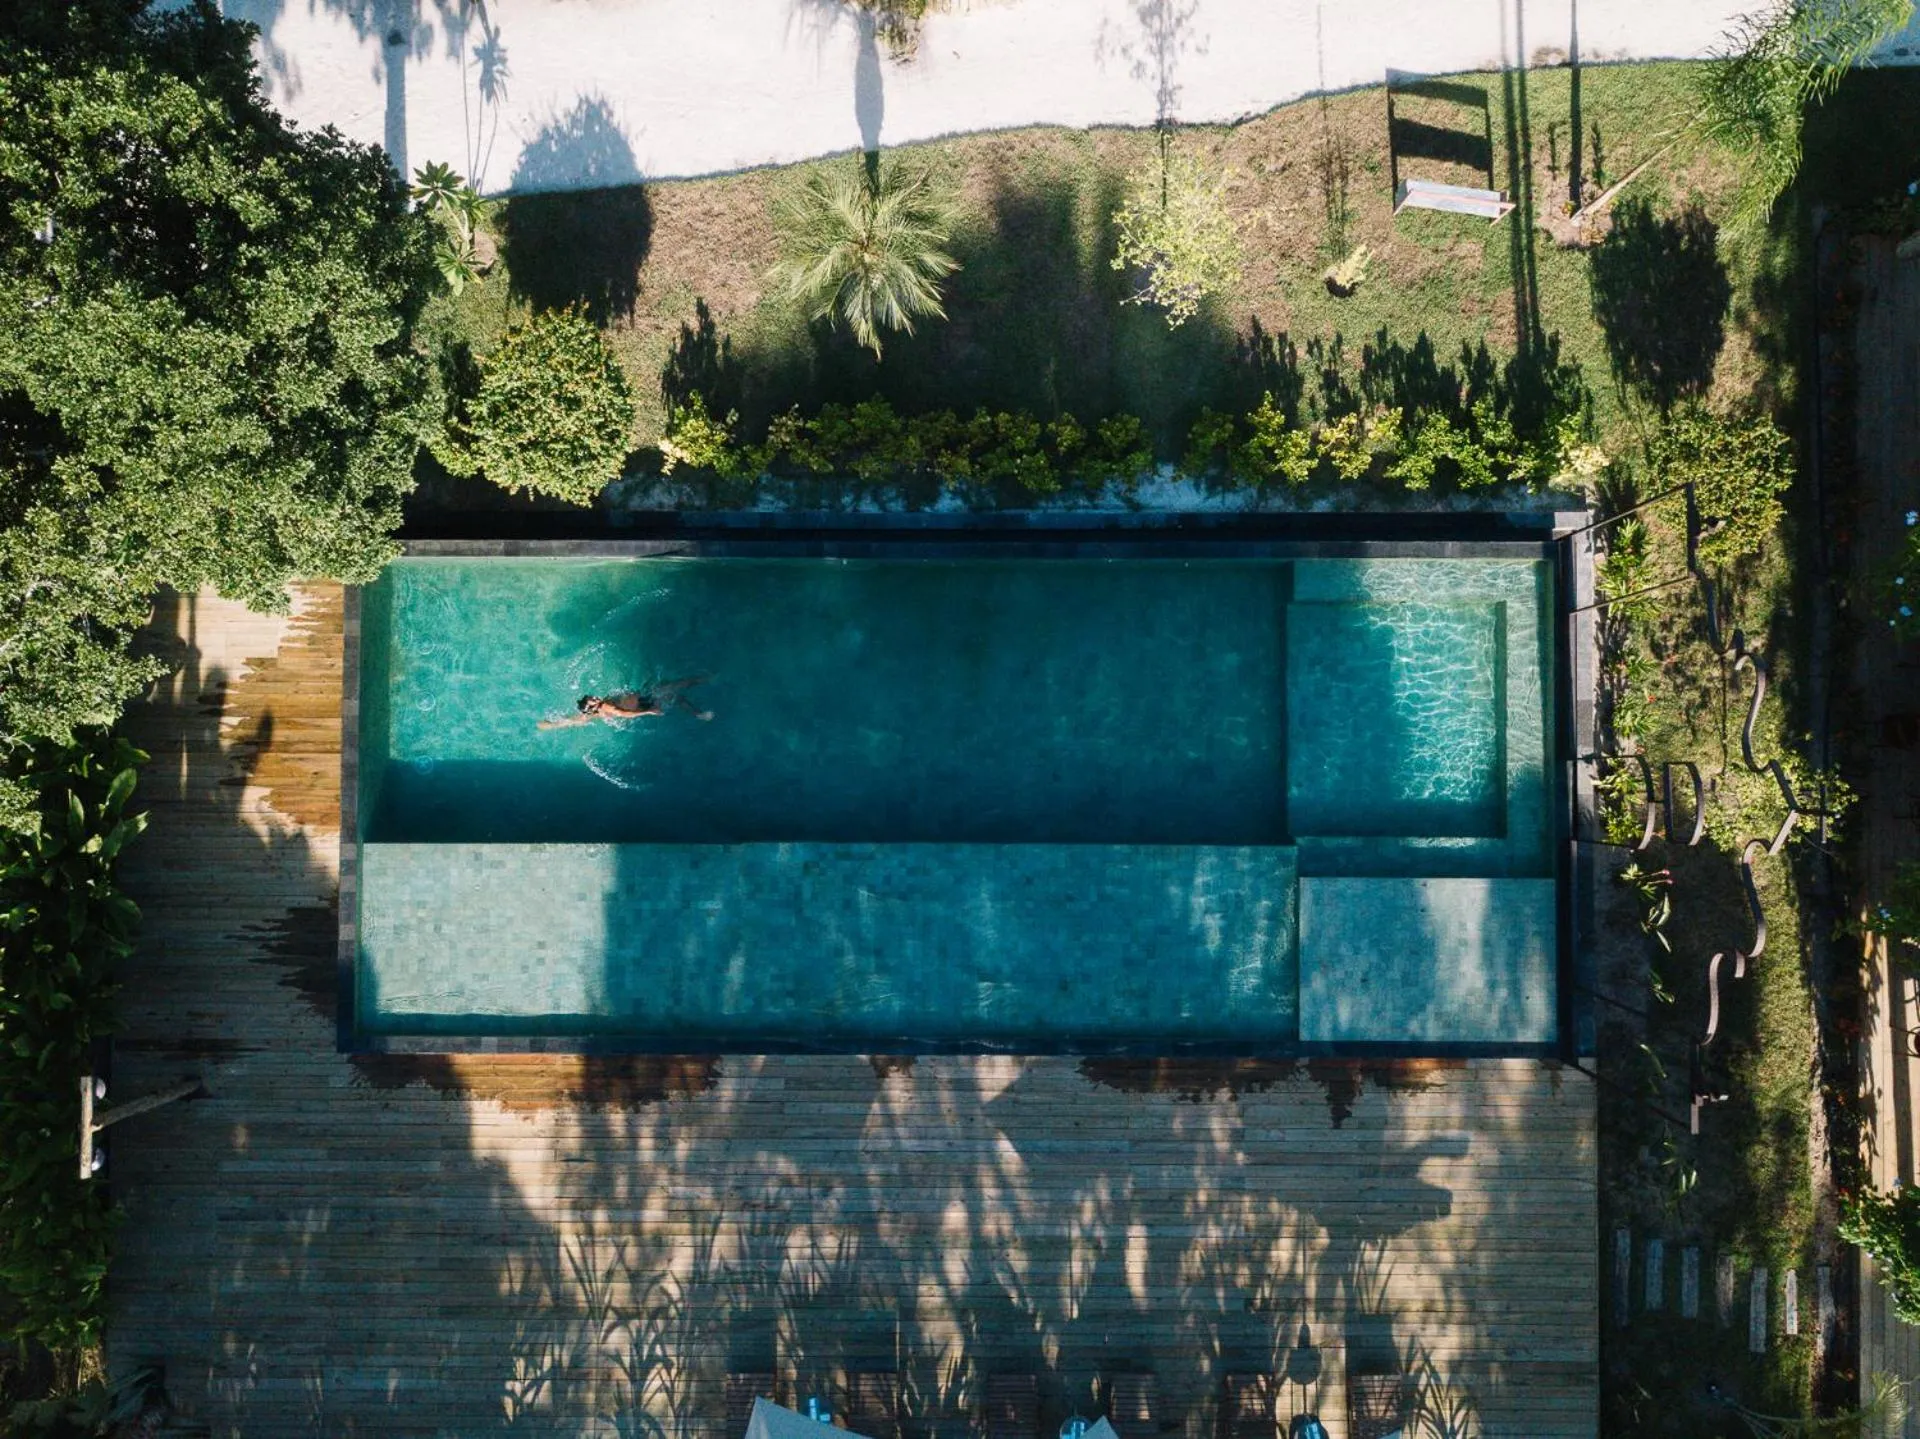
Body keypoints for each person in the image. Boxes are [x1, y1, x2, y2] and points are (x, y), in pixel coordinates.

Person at [538, 677, 712, 729]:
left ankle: (550, 725)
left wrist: (553, 724)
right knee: (677, 688)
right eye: (593, 699)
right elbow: (624, 714)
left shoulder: (598, 710)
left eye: (593, 696)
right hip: (645, 701)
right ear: (594, 705)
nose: (596, 697)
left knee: (577, 720)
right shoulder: (606, 706)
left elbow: (580, 717)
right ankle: (706, 681)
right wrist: (649, 711)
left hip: (640, 700)